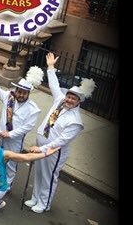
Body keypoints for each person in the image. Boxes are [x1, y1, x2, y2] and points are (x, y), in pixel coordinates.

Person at [25, 53, 93, 213]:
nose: (69, 100)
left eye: (73, 99)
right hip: (41, 144)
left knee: (49, 177)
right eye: (69, 96)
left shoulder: (76, 121)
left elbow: (61, 141)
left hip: (54, 151)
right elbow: (54, 85)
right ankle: (35, 198)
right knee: (39, 173)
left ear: (78, 102)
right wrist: (50, 67)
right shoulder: (60, 101)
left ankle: (44, 203)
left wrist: (42, 149)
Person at [0, 64, 43, 189]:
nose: (21, 95)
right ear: (16, 90)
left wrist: (10, 134)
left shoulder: (33, 109)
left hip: (14, 140)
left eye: (24, 93)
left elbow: (27, 127)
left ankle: (6, 186)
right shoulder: (8, 96)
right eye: (19, 92)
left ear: (28, 94)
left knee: (11, 164)